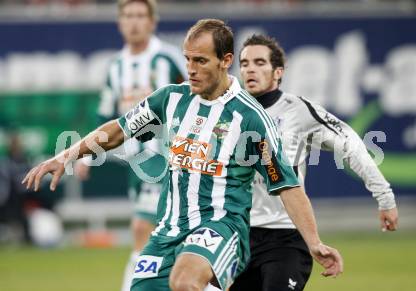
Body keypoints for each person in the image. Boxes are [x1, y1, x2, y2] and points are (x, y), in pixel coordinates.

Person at [22, 19, 343, 291]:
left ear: (225, 60)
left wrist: (313, 242)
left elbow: (286, 184)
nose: (190, 69)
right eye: (188, 59)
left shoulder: (250, 118)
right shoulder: (170, 99)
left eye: (200, 61)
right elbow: (119, 130)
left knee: (185, 281)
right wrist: (67, 155)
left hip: (221, 227)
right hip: (168, 229)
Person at [230, 34, 399, 291]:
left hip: (285, 236)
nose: (250, 68)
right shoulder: (229, 111)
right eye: (244, 63)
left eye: (260, 62)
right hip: (237, 236)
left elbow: (351, 145)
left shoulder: (297, 110)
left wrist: (384, 196)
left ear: (278, 72)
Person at [74, 1, 185, 290]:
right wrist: (87, 156)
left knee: (144, 228)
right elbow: (106, 115)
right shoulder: (116, 66)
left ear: (152, 21)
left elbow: (198, 97)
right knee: (155, 232)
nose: (134, 22)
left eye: (139, 16)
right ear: (120, 23)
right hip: (140, 162)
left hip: (175, 158)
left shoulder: (169, 59)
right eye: (128, 16)